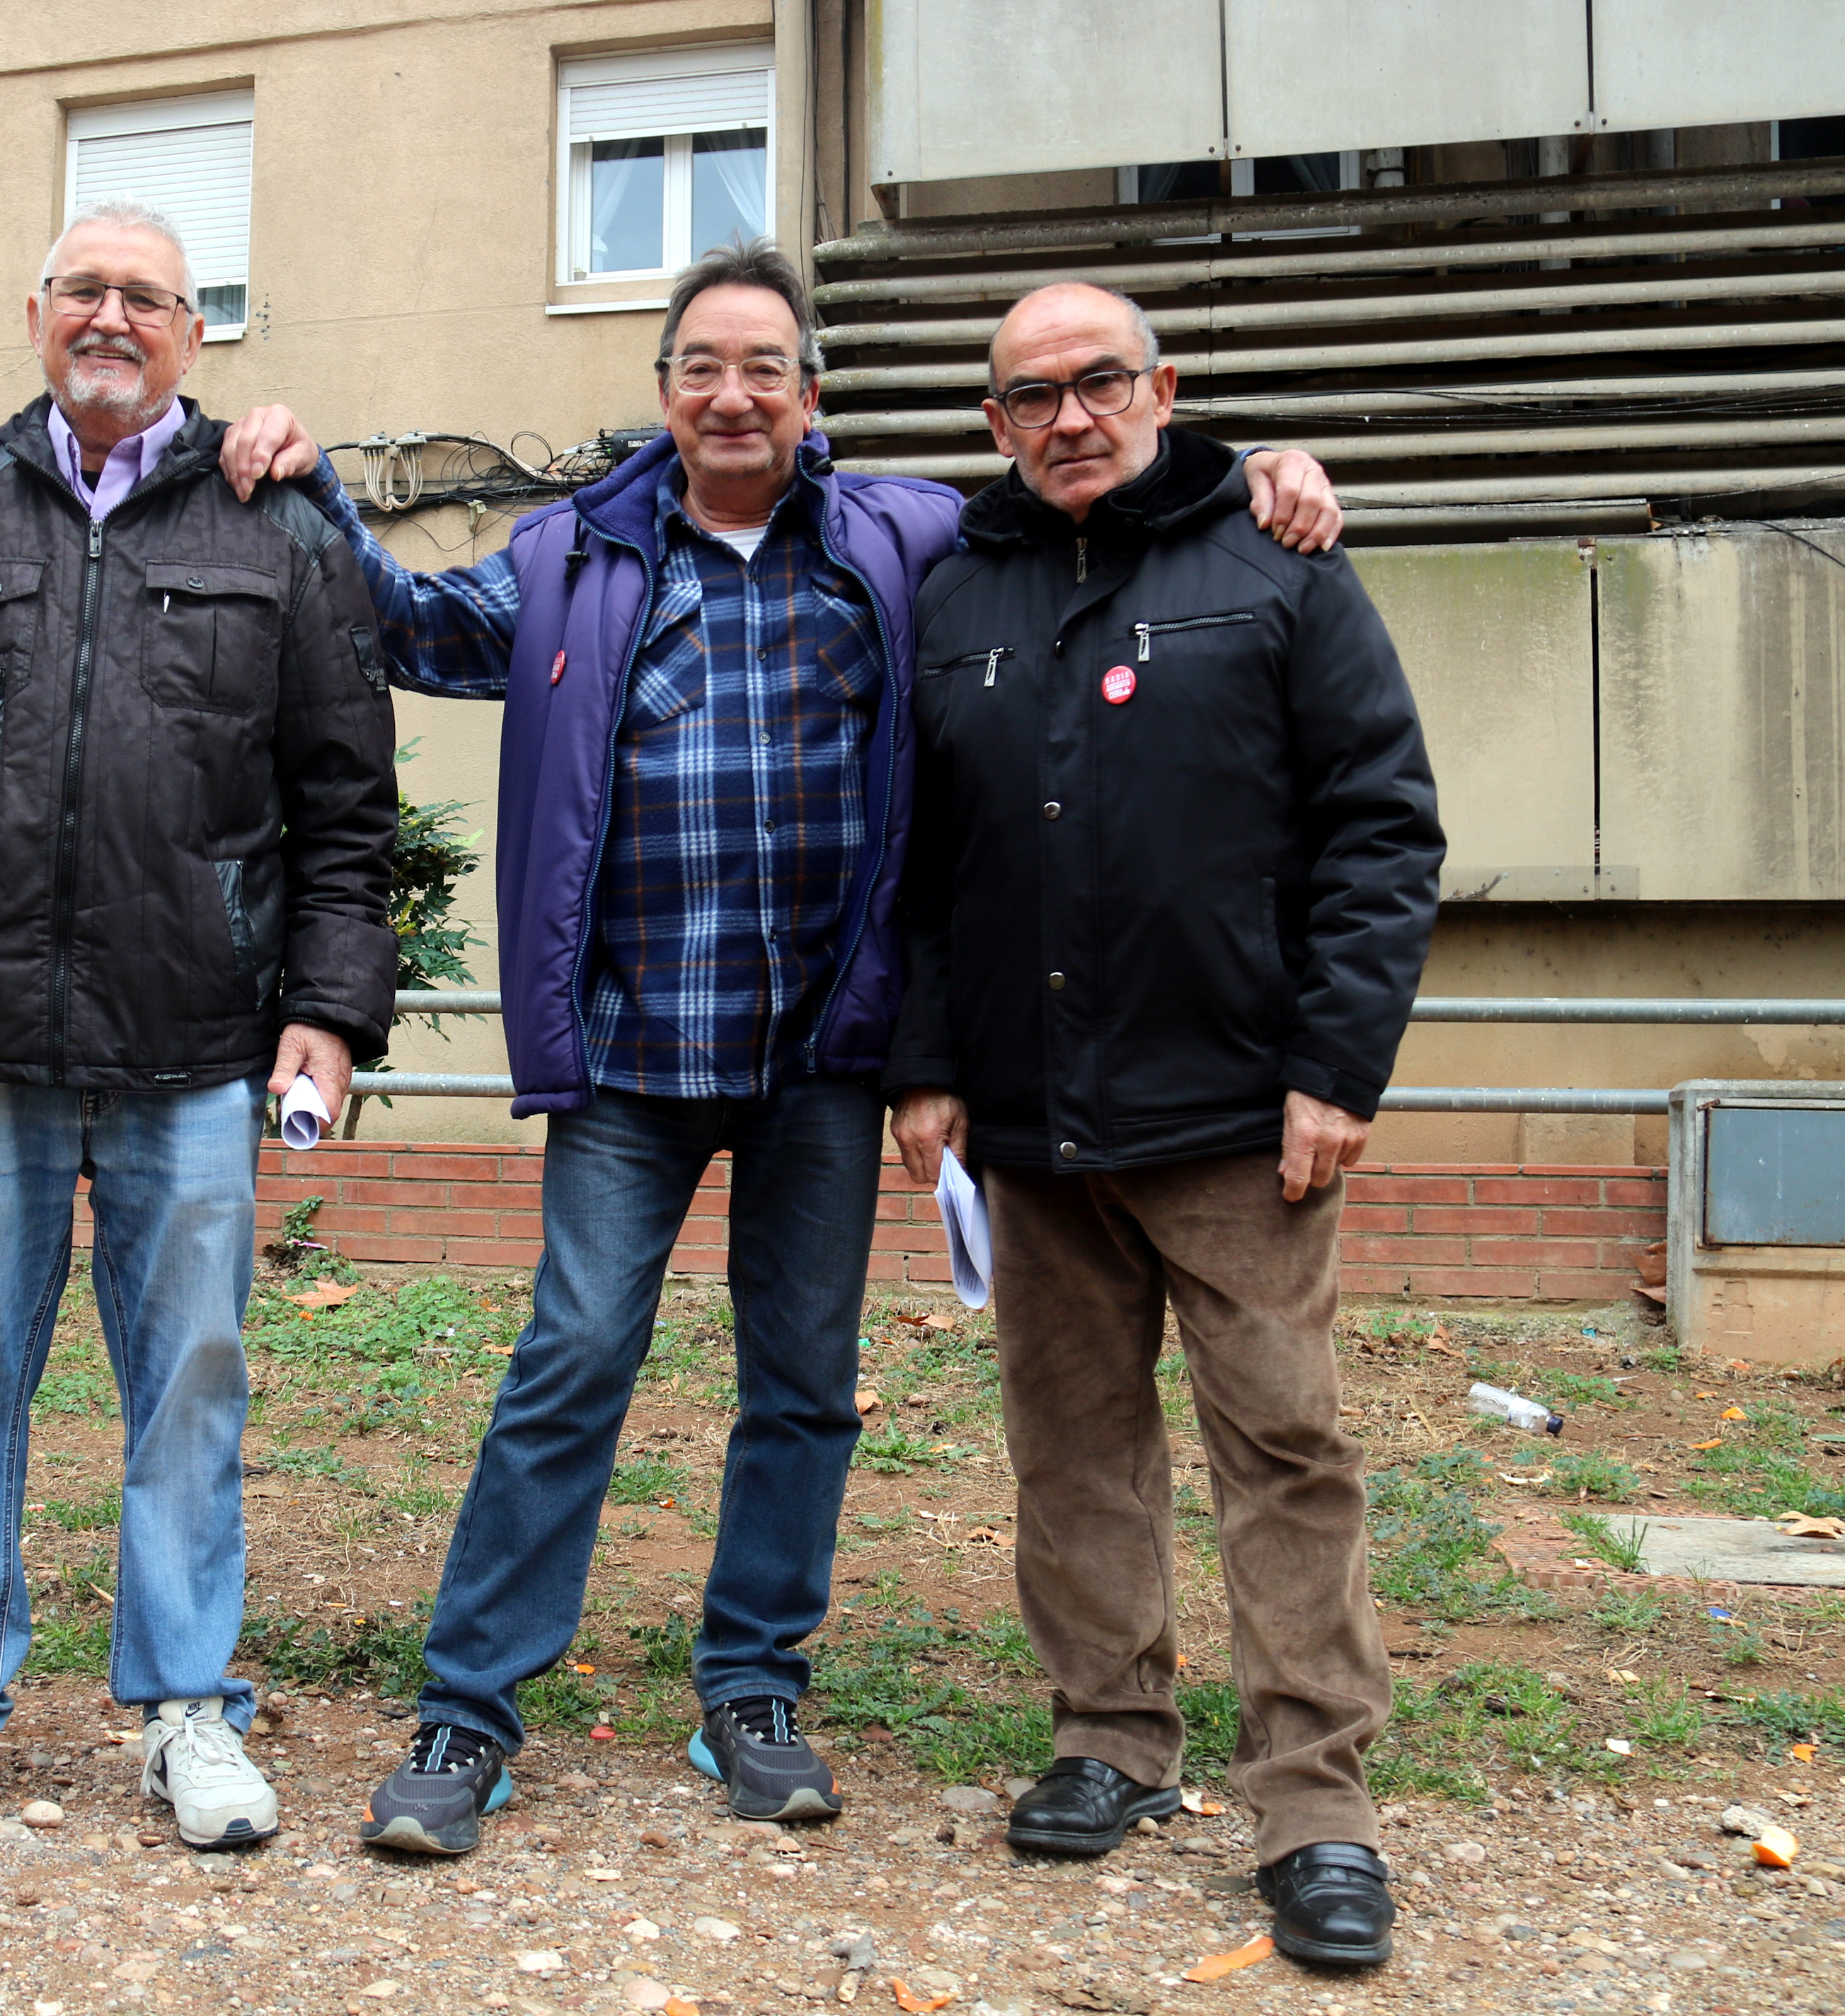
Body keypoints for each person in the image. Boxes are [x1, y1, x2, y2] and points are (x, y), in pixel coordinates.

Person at [220, 242, 1344, 1857]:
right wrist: (312, 484)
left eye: (765, 366)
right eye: (700, 367)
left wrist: (1264, 481)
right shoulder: (570, 556)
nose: (732, 392)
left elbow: (1105, 519)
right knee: (569, 1365)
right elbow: (400, 625)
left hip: (829, 1047)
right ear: (666, 396)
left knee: (803, 1387)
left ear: (814, 398)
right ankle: (467, 1710)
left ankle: (754, 1685)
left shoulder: (916, 540)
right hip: (627, 1053)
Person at [0, 201, 400, 1850]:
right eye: (85, 289)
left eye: (148, 295)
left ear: (199, 333)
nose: (113, 315)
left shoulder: (283, 532)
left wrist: (330, 1013)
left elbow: (349, 810)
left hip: (196, 1042)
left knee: (190, 1382)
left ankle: (191, 1703)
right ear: (36, 312)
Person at [886, 282, 1442, 1969]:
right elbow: (919, 866)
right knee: (1071, 1447)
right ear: (993, 422)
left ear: (1165, 386)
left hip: (1236, 1119)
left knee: (1284, 1449)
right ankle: (1109, 1738)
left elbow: (1381, 828)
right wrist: (929, 1064)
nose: (1070, 416)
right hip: (1033, 1122)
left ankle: (1316, 1805)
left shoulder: (1281, 560)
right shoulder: (953, 584)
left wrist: (1338, 1067)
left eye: (1101, 382)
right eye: (1032, 394)